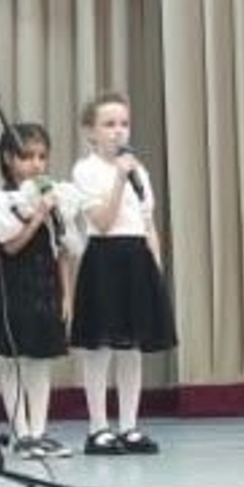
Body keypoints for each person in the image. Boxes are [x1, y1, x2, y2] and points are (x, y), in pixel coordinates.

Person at [70, 91, 177, 456]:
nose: (118, 131)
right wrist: (118, 178)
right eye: (109, 124)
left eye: (124, 124)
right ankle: (98, 428)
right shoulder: (85, 170)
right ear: (91, 131)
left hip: (136, 258)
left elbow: (147, 222)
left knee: (132, 348)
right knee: (100, 348)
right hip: (104, 258)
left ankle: (129, 426)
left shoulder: (139, 170)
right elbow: (101, 220)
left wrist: (155, 267)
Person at [0, 123, 74, 459]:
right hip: (15, 287)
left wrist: (67, 294)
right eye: (26, 157)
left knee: (41, 362)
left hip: (44, 287)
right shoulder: (1, 199)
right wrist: (38, 214)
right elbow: (11, 246)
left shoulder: (53, 198)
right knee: (15, 362)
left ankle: (39, 431)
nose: (36, 164)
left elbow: (62, 250)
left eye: (41, 157)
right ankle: (20, 433)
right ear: (8, 158)